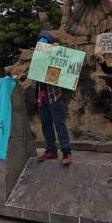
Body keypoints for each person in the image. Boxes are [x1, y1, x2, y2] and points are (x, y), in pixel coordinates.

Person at [18, 30, 72, 165]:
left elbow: (66, 67)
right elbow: (29, 70)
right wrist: (21, 76)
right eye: (40, 41)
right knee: (46, 124)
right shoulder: (38, 57)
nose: (41, 43)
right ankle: (51, 150)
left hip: (55, 95)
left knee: (59, 124)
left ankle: (66, 152)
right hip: (42, 96)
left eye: (44, 41)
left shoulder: (56, 53)